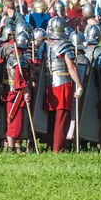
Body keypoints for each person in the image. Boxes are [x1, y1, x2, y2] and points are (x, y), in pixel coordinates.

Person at [43, 17, 83, 152]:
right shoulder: (65, 45)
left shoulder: (46, 45)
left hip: (50, 83)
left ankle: (51, 145)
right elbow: (71, 67)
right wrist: (79, 84)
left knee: (53, 118)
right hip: (63, 84)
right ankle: (57, 148)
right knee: (61, 118)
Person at [1, 31, 31, 153]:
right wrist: (27, 90)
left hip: (9, 93)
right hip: (16, 94)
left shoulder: (9, 59)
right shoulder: (21, 61)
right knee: (14, 121)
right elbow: (19, 81)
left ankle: (11, 147)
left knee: (11, 120)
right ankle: (11, 148)